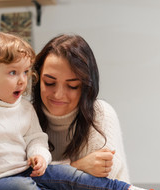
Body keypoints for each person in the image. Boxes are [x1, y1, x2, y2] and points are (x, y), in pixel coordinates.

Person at [0, 32, 160, 190]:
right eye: (49, 82)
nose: (22, 80)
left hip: (34, 177)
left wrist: (41, 158)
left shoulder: (25, 110)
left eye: (25, 72)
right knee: (24, 189)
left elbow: (37, 140)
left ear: (86, 86)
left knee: (65, 177)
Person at [32, 34, 129, 182]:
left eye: (72, 86)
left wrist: (48, 174)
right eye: (49, 82)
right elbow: (16, 183)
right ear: (37, 79)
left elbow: (97, 187)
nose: (58, 95)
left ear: (86, 87)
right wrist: (78, 166)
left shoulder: (101, 114)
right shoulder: (25, 114)